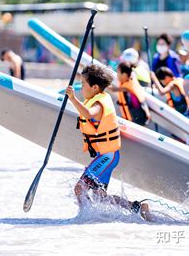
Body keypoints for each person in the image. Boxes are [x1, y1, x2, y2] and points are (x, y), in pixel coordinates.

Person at [65, 64, 154, 221]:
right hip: (107, 155)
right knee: (101, 196)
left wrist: (72, 98)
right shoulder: (97, 99)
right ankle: (138, 207)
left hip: (107, 156)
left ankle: (84, 217)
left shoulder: (98, 105)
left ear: (95, 87)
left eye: (83, 84)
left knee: (79, 189)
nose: (81, 88)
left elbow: (87, 114)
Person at [115, 62, 151, 126]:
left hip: (136, 118)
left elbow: (114, 89)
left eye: (118, 73)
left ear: (124, 75)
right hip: (138, 117)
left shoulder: (127, 87)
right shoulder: (132, 82)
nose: (117, 75)